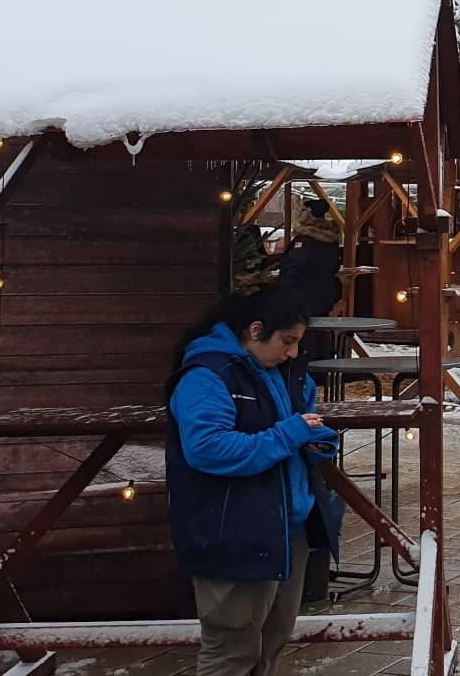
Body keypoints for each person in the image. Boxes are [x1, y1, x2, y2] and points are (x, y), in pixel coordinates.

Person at [166, 287, 343, 676]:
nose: (293, 352)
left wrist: (317, 441)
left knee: (270, 644)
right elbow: (208, 448)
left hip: (287, 529)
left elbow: (302, 423)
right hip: (234, 530)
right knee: (232, 651)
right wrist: (288, 436)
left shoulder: (287, 373)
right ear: (255, 329)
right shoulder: (208, 376)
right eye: (287, 341)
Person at [278, 202, 343, 322]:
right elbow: (335, 266)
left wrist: (284, 291)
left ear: (310, 214)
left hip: (302, 298)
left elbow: (295, 267)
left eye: (303, 210)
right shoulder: (332, 239)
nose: (299, 213)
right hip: (324, 296)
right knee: (321, 331)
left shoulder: (304, 240)